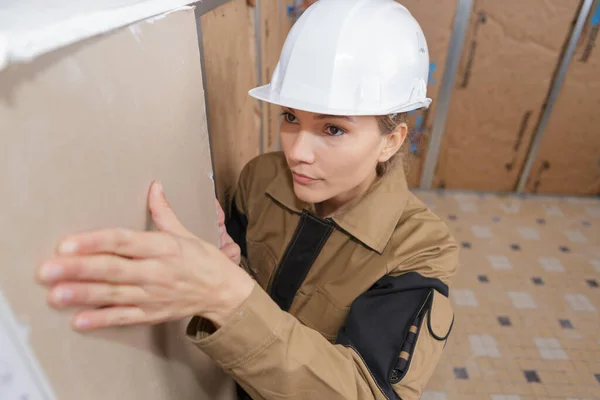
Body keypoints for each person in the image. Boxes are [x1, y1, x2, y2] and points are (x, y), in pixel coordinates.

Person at [35, 0, 459, 398]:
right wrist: (231, 266)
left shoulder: (419, 251)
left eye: (333, 129)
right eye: (290, 117)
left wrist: (227, 295)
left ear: (391, 140)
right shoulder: (262, 178)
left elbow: (365, 391)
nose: (297, 152)